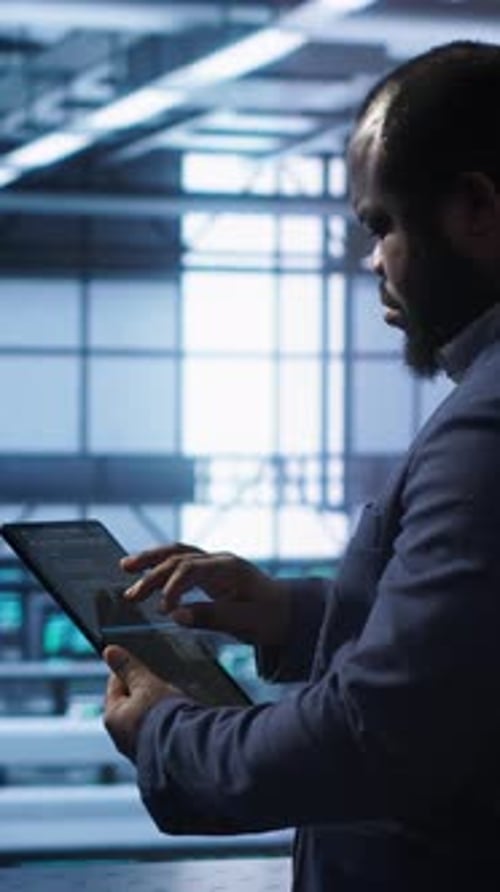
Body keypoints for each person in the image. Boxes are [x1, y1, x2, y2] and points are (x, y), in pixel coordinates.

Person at [103, 41, 500, 891]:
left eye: (382, 225)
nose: (373, 262)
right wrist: (290, 615)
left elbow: (376, 735)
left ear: (475, 207)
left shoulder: (486, 423)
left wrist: (168, 734)